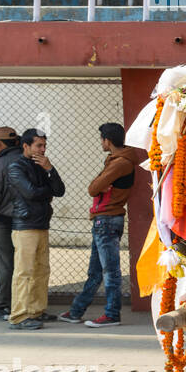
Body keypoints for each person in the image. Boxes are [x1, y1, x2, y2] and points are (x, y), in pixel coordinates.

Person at [58, 123, 149, 328]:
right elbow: (97, 186)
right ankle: (76, 311)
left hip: (106, 220)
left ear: (107, 140)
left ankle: (111, 314)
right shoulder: (117, 160)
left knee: (110, 271)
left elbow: (93, 189)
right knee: (96, 271)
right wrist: (100, 184)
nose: (101, 142)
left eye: (102, 139)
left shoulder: (120, 163)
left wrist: (99, 183)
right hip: (105, 220)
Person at [5, 129, 66, 330]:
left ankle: (36, 311)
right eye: (38, 145)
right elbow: (30, 193)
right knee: (24, 272)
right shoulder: (15, 167)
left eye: (44, 145)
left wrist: (50, 169)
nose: (42, 149)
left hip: (41, 224)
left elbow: (59, 190)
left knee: (41, 270)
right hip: (25, 226)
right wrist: (47, 192)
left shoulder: (41, 165)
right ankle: (19, 316)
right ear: (25, 146)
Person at [0, 126, 22, 320]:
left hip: (2, 221)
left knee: (4, 263)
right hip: (25, 221)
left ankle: (3, 303)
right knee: (24, 263)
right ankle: (21, 301)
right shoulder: (27, 159)